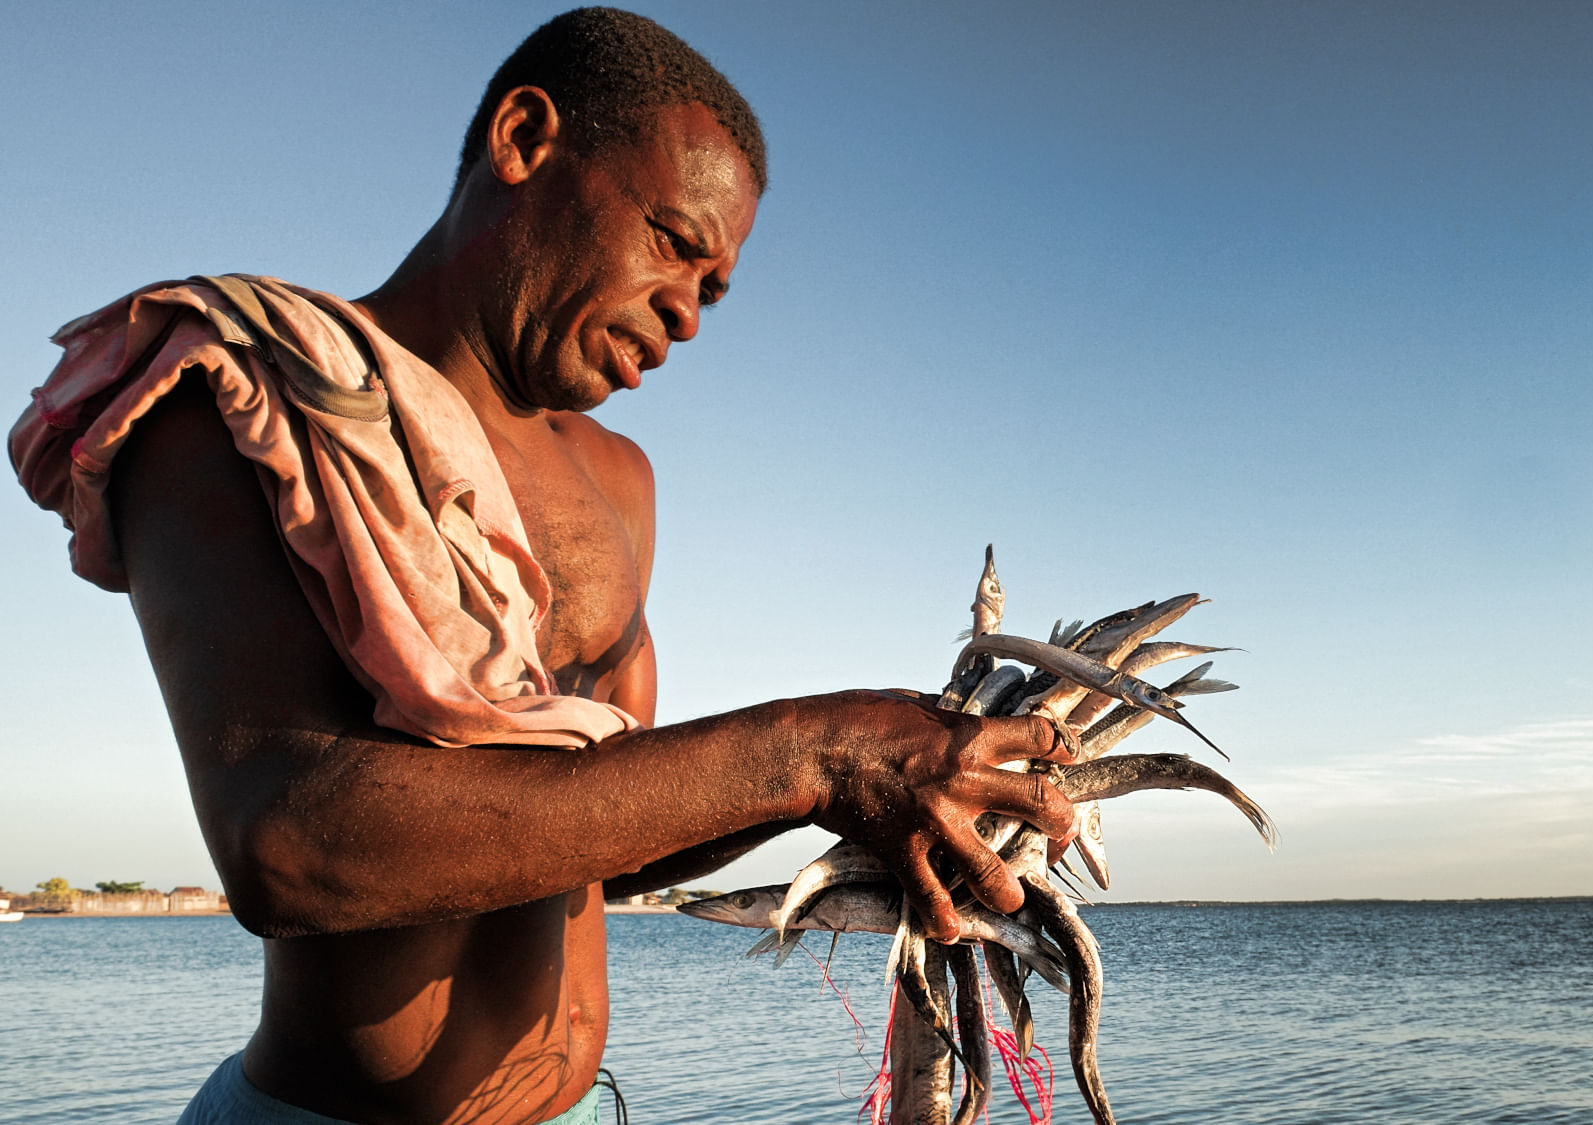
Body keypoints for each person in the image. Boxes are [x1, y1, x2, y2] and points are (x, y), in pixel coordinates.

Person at [9, 9, 1075, 1124]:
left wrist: (867, 792)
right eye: (673, 240)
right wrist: (809, 749)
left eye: (714, 290)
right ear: (524, 140)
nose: (690, 314)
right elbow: (290, 847)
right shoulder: (249, 392)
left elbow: (604, 850)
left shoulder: (622, 482)